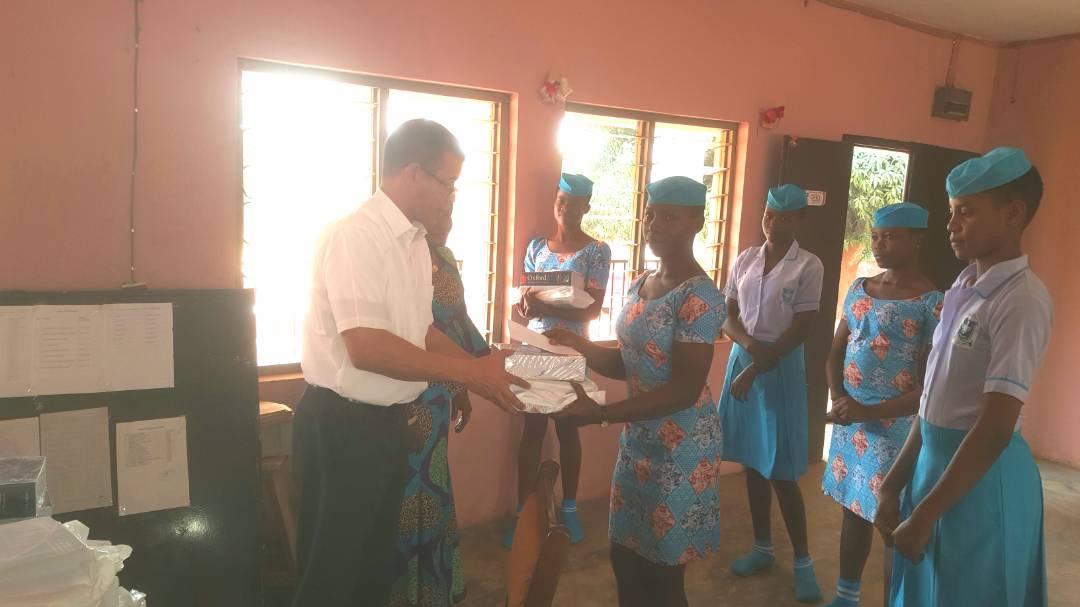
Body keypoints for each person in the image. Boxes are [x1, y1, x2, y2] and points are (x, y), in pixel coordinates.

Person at [292, 119, 526, 606]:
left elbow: (422, 332)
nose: (452, 196)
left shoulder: (416, 243)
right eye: (448, 182)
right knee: (333, 571)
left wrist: (483, 372)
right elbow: (366, 347)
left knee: (375, 565)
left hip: (387, 422)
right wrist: (470, 372)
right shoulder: (357, 236)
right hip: (341, 425)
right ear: (414, 173)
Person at [876, 147, 1051, 607]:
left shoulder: (1020, 300)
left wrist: (925, 515)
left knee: (971, 590)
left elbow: (994, 427)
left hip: (980, 481)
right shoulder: (965, 286)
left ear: (1013, 213)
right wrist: (894, 481)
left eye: (967, 212)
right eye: (952, 211)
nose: (951, 225)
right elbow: (932, 401)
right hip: (935, 468)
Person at [548, 176, 724, 607]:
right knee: (624, 556)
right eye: (650, 214)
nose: (654, 224)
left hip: (682, 446)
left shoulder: (700, 297)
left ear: (697, 222)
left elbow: (684, 390)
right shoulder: (642, 282)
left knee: (662, 574)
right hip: (639, 440)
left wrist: (601, 414)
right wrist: (578, 345)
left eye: (670, 217)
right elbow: (630, 362)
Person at [820, 203, 943, 607]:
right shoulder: (860, 289)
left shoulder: (931, 303)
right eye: (875, 236)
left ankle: (897, 599)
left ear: (917, 240)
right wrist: (839, 398)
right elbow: (834, 354)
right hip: (851, 423)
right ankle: (846, 595)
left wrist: (868, 412)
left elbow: (928, 389)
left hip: (895, 430)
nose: (878, 244)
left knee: (891, 519)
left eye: (890, 237)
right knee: (853, 508)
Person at [718, 184, 824, 603]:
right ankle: (762, 548)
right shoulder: (745, 258)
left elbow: (802, 328)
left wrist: (759, 363)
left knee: (780, 471)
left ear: (800, 220)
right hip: (745, 356)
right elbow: (728, 315)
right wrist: (748, 348)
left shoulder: (809, 265)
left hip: (780, 367)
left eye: (784, 217)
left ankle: (803, 561)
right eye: (769, 215)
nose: (774, 224)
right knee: (752, 461)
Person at [386, 211, 490, 607]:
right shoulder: (397, 257)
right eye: (441, 209)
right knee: (406, 491)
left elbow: (459, 321)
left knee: (432, 484)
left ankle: (432, 589)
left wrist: (470, 380)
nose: (448, 218)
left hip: (439, 392)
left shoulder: (444, 259)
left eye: (451, 208)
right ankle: (404, 593)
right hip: (405, 392)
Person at [509, 173, 612, 546]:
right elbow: (524, 297)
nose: (566, 209)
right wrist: (526, 304)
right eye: (561, 201)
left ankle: (569, 508)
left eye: (574, 204)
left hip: (572, 348)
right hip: (535, 347)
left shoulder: (597, 251)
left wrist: (545, 305)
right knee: (532, 429)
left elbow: (592, 310)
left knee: (568, 427)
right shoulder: (537, 247)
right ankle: (523, 513)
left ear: (587, 207)